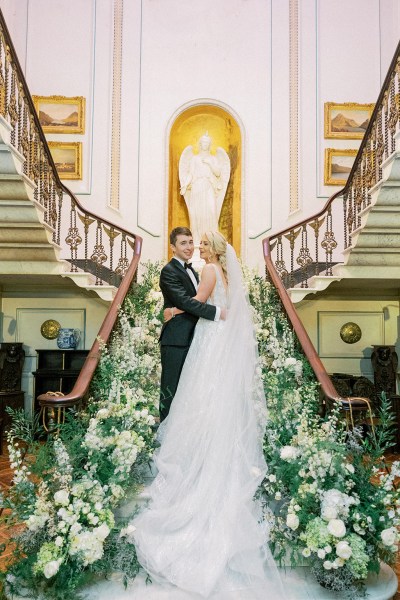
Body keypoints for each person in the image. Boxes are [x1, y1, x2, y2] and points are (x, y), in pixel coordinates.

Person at [132, 231, 286, 599]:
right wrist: (177, 308)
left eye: (200, 244)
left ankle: (190, 453)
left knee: (198, 396)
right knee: (206, 396)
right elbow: (202, 302)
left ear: (212, 249)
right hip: (212, 335)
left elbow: (195, 301)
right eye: (190, 244)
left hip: (207, 337)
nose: (196, 248)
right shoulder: (219, 271)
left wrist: (173, 309)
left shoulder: (209, 270)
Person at [158, 226, 223, 421]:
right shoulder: (169, 271)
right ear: (173, 247)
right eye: (183, 243)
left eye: (190, 242)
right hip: (176, 339)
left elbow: (193, 301)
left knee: (188, 390)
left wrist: (173, 311)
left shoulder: (193, 271)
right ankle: (164, 432)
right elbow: (186, 302)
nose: (189, 247)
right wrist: (219, 313)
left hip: (196, 336)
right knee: (171, 388)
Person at [179, 133, 230, 244]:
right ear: (200, 144)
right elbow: (191, 174)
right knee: (196, 215)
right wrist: (184, 186)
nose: (205, 145)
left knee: (211, 211)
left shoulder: (213, 158)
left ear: (209, 144)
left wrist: (210, 164)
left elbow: (218, 173)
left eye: (207, 143)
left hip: (208, 187)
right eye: (203, 142)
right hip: (197, 187)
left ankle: (211, 241)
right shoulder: (194, 159)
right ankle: (197, 241)